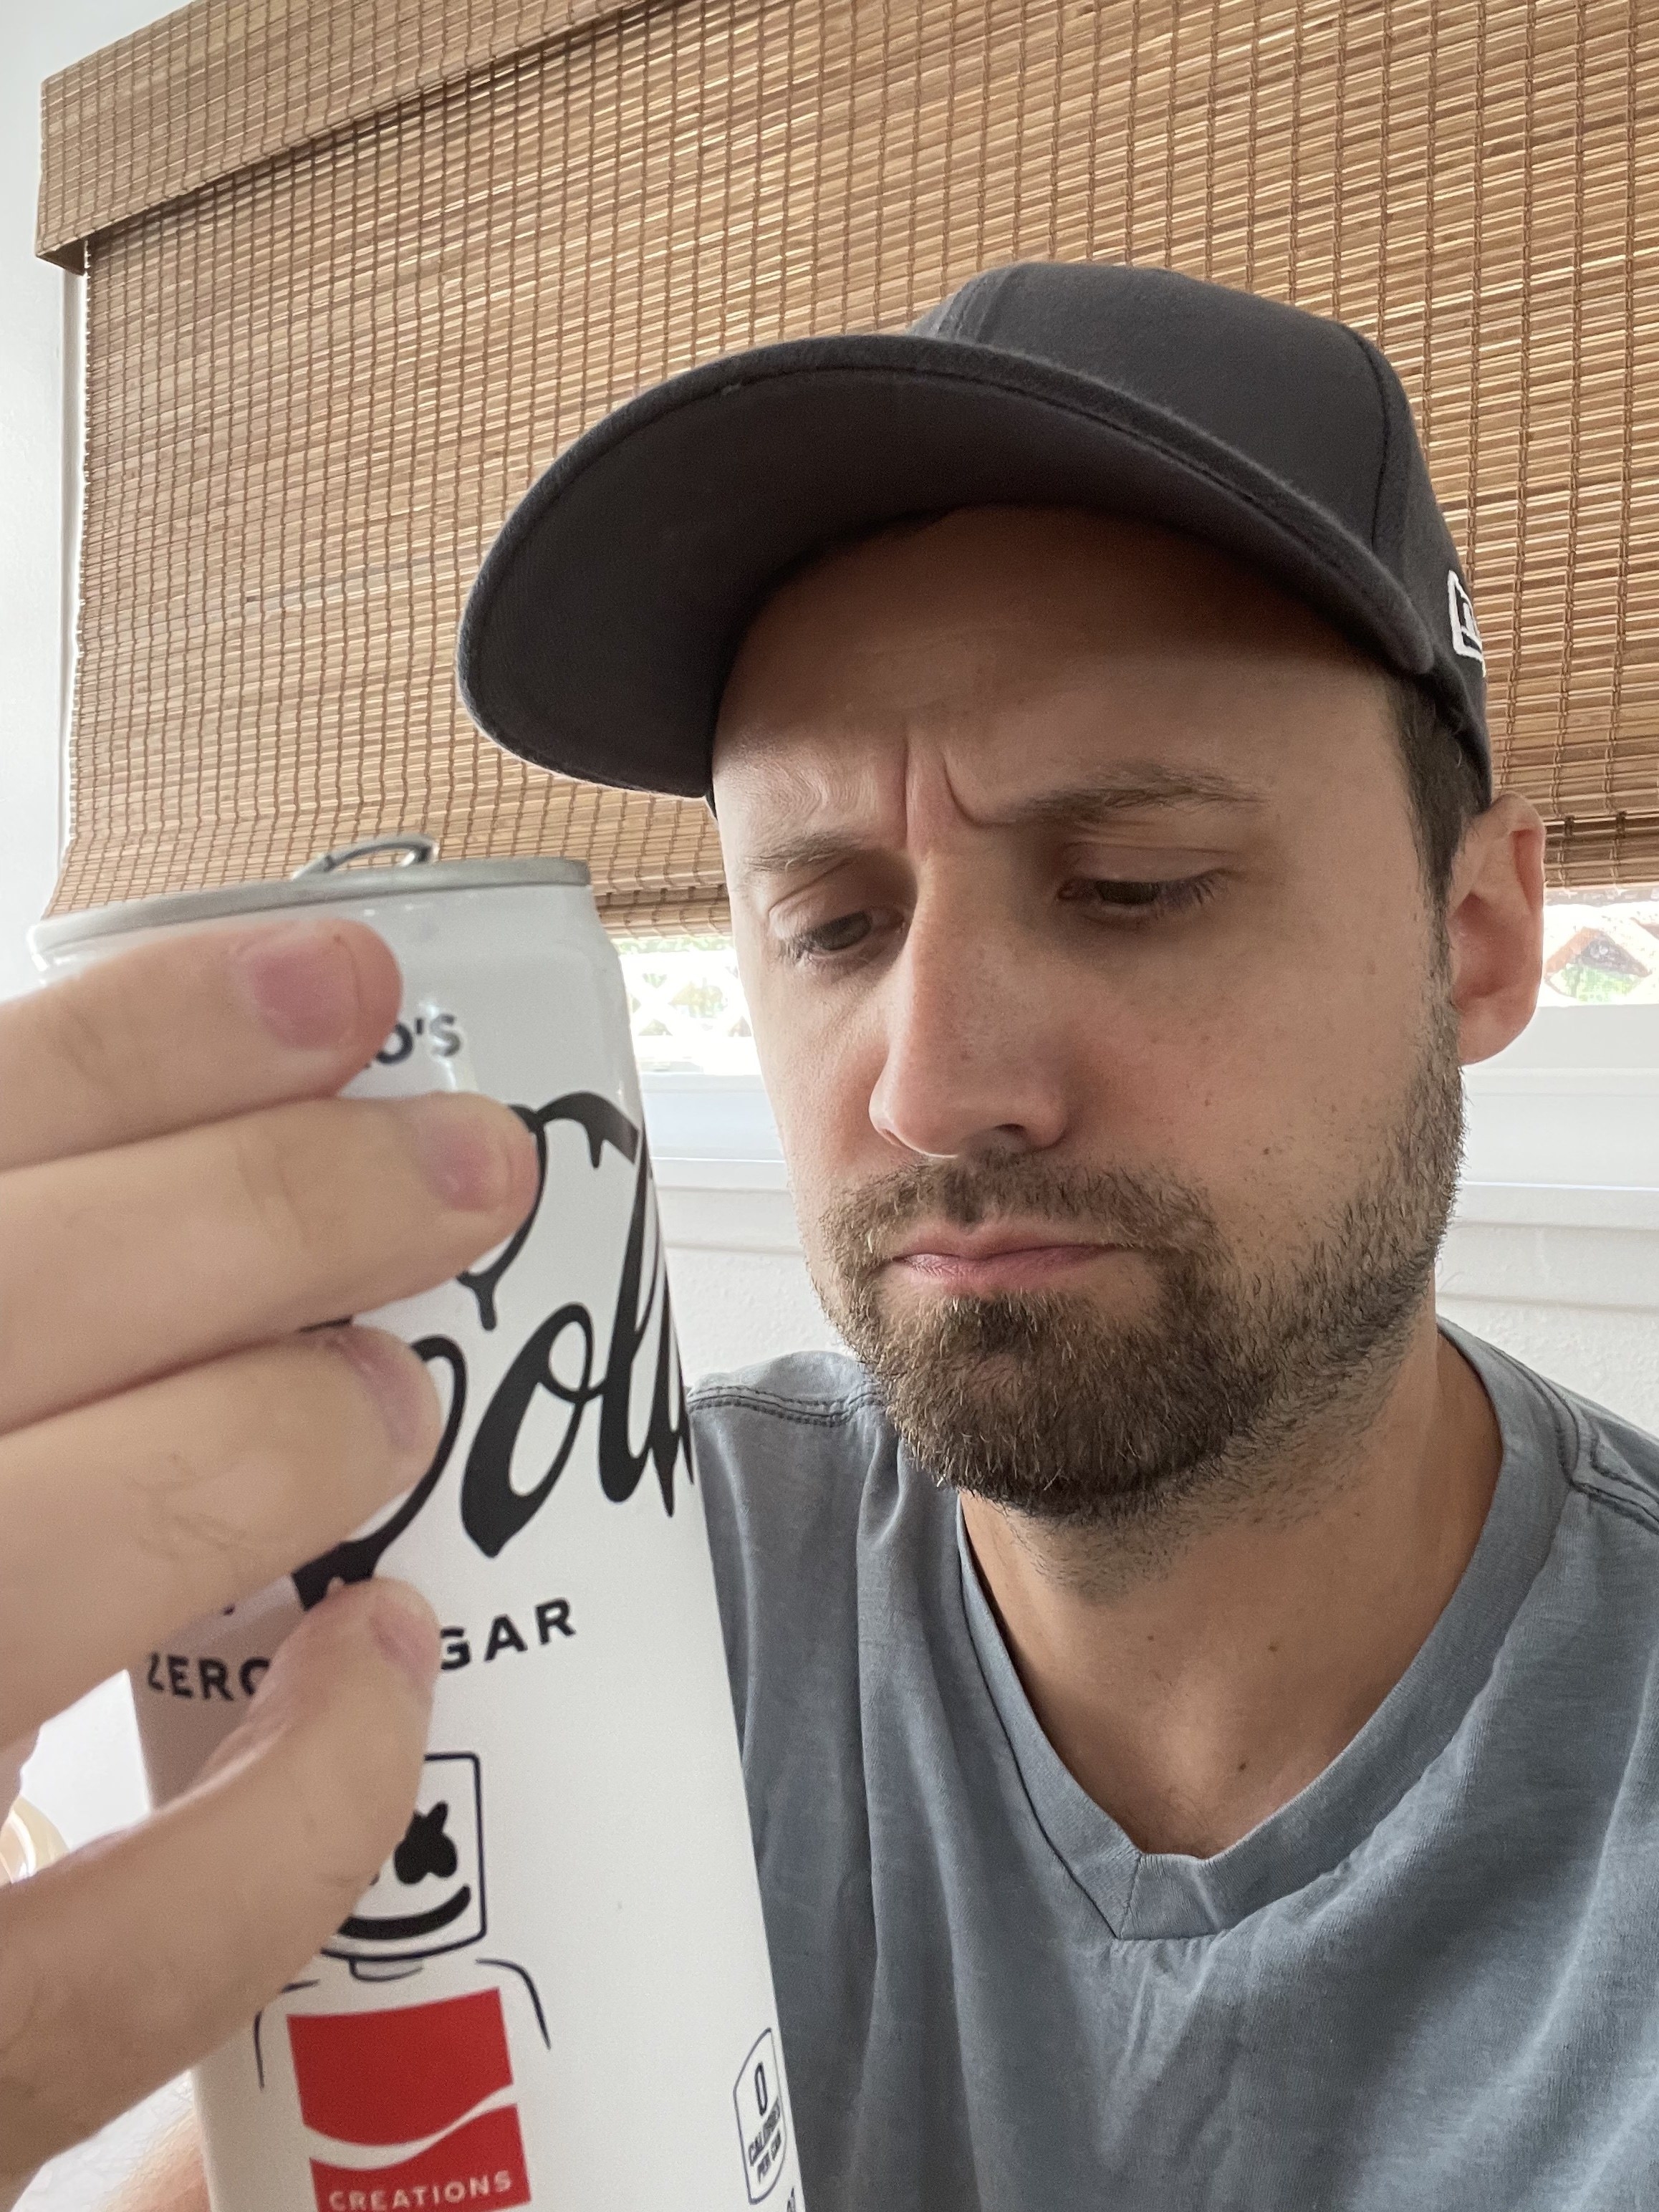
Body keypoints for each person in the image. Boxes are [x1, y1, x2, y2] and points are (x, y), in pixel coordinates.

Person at [4, 260, 1657, 2212]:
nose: (931, 1085)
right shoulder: (602, 1581)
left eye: (1131, 887)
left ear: (1474, 937)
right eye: (832, 926)